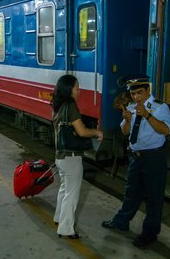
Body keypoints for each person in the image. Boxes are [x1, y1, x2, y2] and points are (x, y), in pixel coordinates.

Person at [101, 74, 170, 248]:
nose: (136, 97)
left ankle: (149, 233)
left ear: (148, 90)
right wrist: (126, 120)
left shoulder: (160, 107)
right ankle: (122, 221)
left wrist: (148, 116)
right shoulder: (131, 107)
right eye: (133, 94)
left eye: (139, 93)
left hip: (153, 158)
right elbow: (126, 132)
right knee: (131, 192)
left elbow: (166, 130)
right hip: (136, 157)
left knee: (154, 198)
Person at [51, 74, 103, 239]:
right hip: (71, 157)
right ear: (69, 90)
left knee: (64, 189)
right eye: (77, 88)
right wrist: (96, 132)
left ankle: (59, 218)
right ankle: (66, 229)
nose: (79, 91)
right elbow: (81, 131)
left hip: (60, 157)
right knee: (71, 194)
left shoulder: (58, 106)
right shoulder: (71, 106)